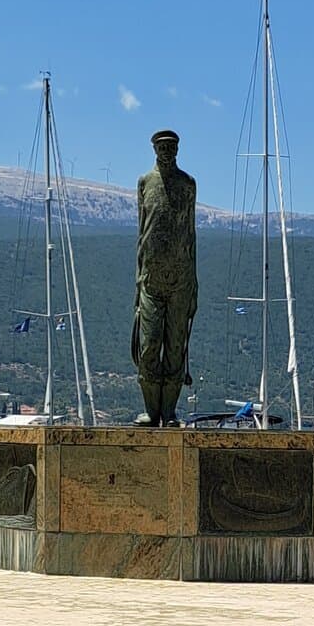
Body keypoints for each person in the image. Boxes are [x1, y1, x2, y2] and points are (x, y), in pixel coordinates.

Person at [131, 129, 198, 427]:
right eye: (162, 147)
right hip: (151, 277)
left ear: (178, 149)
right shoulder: (145, 183)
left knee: (175, 348)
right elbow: (141, 234)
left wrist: (194, 284)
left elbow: (191, 235)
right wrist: (138, 281)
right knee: (148, 347)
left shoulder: (188, 184)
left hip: (181, 277)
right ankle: (151, 410)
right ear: (154, 150)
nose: (167, 151)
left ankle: (169, 412)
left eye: (172, 146)